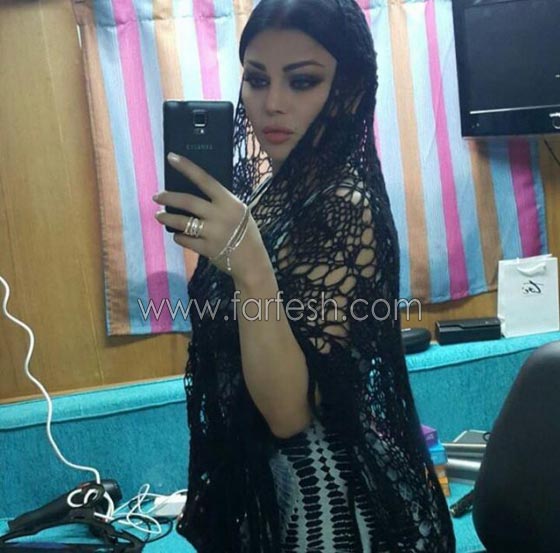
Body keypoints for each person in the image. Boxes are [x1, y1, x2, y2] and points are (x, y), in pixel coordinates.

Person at [152, 0, 456, 551]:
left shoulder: (345, 203)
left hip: (324, 506)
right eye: (256, 79)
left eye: (302, 81)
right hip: (266, 490)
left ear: (349, 91)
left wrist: (249, 265)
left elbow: (290, 414)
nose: (273, 103)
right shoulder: (268, 196)